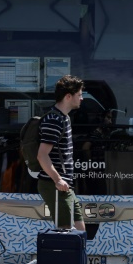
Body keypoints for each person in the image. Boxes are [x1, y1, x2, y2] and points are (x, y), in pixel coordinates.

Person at [37, 75, 85, 232]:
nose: (82, 98)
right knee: (65, 232)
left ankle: (79, 257)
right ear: (68, 96)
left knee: (79, 230)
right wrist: (57, 180)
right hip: (54, 185)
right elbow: (42, 155)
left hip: (63, 185)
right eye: (79, 95)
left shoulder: (64, 118)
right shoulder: (54, 120)